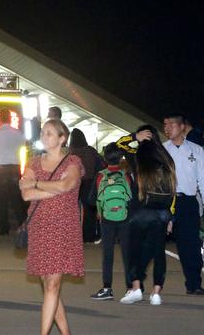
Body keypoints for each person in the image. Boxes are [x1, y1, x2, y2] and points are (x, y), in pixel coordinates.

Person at [19, 119, 84, 335]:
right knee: (49, 286)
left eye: (49, 133)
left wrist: (37, 184)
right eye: (43, 133)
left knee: (52, 286)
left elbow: (67, 185)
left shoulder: (72, 161)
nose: (44, 136)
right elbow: (25, 194)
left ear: (62, 138)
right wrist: (55, 189)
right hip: (39, 226)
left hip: (63, 227)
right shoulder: (34, 162)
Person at [119, 129, 176, 306]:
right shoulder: (167, 160)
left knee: (132, 251)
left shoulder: (138, 157)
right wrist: (171, 217)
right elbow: (173, 190)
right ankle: (156, 292)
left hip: (139, 212)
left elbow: (118, 145)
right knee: (158, 252)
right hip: (161, 212)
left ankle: (136, 288)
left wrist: (134, 137)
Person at [163, 113, 204, 295]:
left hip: (188, 202)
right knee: (154, 242)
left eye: (171, 124)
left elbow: (203, 179)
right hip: (166, 200)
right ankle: (139, 284)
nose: (167, 128)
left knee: (189, 244)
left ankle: (194, 283)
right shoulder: (162, 149)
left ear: (182, 127)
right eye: (165, 125)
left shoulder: (196, 150)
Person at [90, 142, 133, 300]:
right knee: (127, 254)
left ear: (105, 158)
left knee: (107, 255)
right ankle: (130, 288)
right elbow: (132, 198)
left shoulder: (101, 175)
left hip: (106, 219)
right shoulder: (125, 175)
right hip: (125, 218)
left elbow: (91, 198)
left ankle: (107, 288)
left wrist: (100, 209)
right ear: (120, 157)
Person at [0, 107, 26, 235]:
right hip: (15, 168)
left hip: (0, 168)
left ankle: (4, 228)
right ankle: (23, 226)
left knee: (1, 200)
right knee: (17, 200)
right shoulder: (18, 133)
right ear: (10, 119)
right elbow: (23, 146)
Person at [69, 128, 106, 242]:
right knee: (89, 211)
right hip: (89, 183)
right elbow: (102, 165)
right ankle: (88, 236)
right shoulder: (90, 150)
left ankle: (70, 236)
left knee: (70, 210)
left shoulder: (69, 152)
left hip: (72, 183)